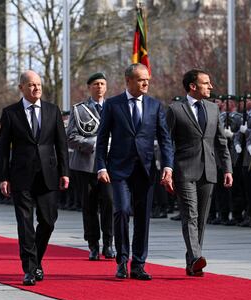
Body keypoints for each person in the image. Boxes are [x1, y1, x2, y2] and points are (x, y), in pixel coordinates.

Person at [96, 63, 173, 280]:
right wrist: (101, 166)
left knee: (142, 217)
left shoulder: (155, 106)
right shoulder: (112, 105)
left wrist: (168, 166)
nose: (146, 83)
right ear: (128, 81)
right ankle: (122, 260)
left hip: (145, 170)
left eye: (147, 78)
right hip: (118, 170)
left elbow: (165, 139)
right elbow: (102, 139)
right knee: (121, 211)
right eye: (141, 79)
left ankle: (138, 264)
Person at [0, 70, 70, 286]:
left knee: (48, 221)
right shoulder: (10, 113)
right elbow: (3, 149)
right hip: (21, 176)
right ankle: (29, 269)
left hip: (48, 175)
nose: (36, 88)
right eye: (31, 85)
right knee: (25, 224)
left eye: (39, 84)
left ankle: (36, 259)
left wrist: (65, 172)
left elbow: (61, 145)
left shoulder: (52, 110)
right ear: (21, 88)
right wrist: (4, 177)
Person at [166, 69, 233, 277]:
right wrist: (167, 170)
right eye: (206, 83)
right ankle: (196, 257)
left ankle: (192, 263)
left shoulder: (213, 109)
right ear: (193, 86)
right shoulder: (175, 109)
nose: (210, 87)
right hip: (184, 169)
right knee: (190, 214)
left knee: (202, 217)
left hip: (209, 170)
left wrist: (227, 168)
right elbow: (166, 142)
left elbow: (221, 141)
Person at [67, 72, 115, 260]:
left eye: (102, 83)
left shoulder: (114, 107)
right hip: (86, 165)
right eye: (96, 84)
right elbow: (71, 137)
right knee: (89, 206)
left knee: (109, 204)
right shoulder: (79, 109)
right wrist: (92, 143)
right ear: (89, 87)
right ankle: (93, 244)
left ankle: (109, 243)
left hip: (110, 166)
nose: (100, 87)